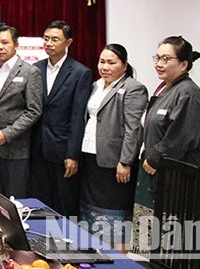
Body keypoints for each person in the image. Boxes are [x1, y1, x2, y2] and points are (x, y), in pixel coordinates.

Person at [133, 36, 200, 263]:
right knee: (153, 249)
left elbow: (182, 137)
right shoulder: (166, 89)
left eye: (166, 59)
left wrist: (154, 158)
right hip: (158, 177)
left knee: (178, 251)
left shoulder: (189, 94)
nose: (159, 63)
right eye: (157, 57)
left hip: (182, 182)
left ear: (184, 64)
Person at [79, 44, 147, 250]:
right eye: (102, 62)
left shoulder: (133, 88)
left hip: (115, 161)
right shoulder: (96, 85)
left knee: (114, 212)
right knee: (91, 210)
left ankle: (118, 258)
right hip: (90, 154)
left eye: (111, 62)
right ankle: (95, 254)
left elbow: (133, 129)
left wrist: (125, 161)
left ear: (124, 65)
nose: (105, 67)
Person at [31, 21, 92, 216]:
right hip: (37, 146)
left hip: (62, 148)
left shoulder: (80, 72)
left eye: (55, 39)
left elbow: (78, 116)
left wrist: (73, 154)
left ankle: (66, 236)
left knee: (64, 203)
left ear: (68, 42)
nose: (49, 43)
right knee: (39, 204)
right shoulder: (35, 68)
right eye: (46, 38)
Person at [0, 25, 42, 198]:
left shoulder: (30, 72)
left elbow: (34, 111)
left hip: (15, 149)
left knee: (14, 201)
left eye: (5, 42)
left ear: (16, 45)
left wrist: (7, 134)